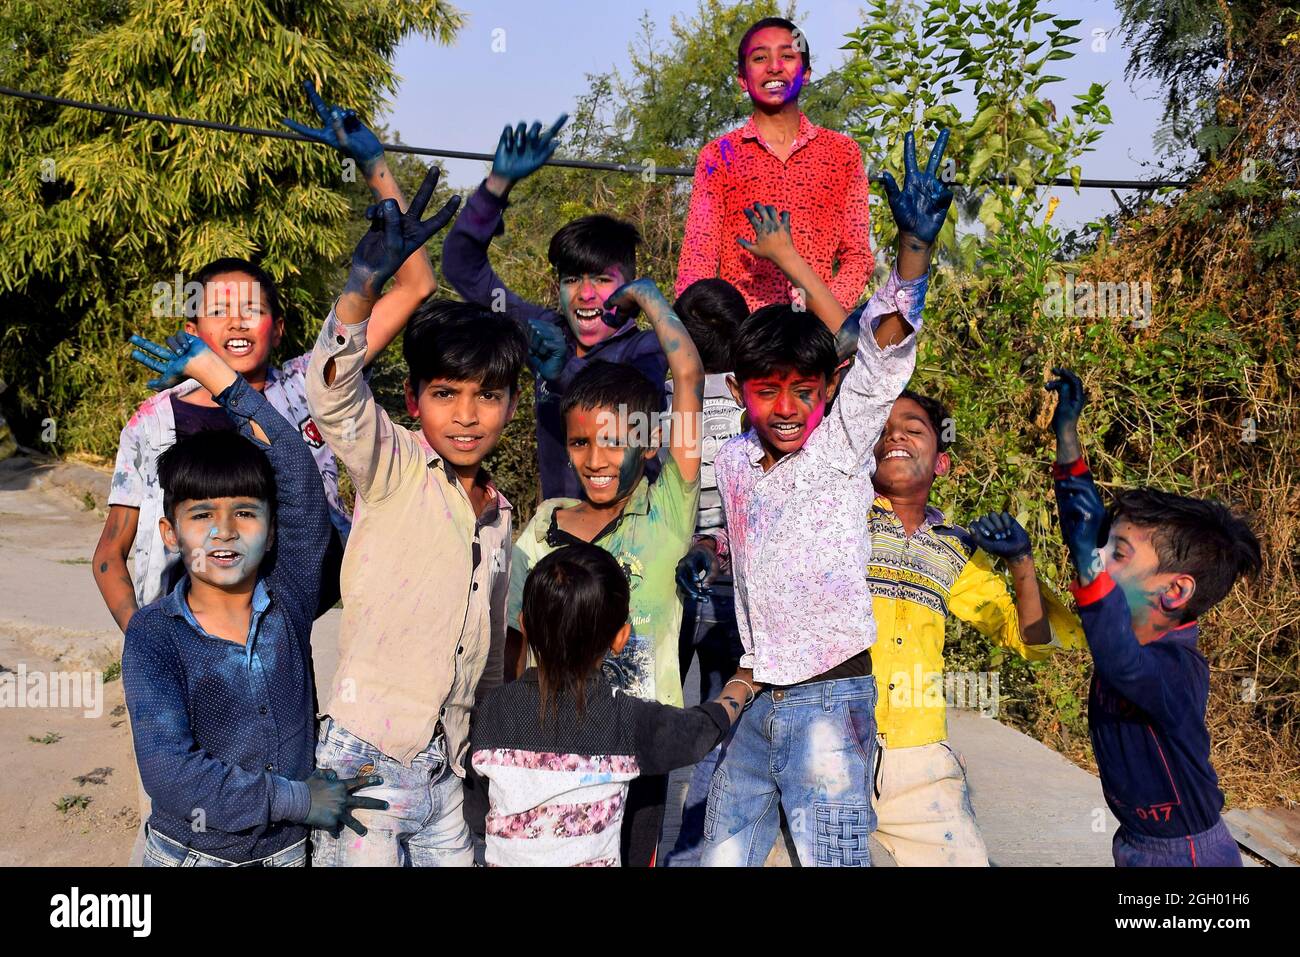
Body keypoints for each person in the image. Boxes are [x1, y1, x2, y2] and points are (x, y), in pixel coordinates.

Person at [96, 80, 436, 631]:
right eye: (219, 310)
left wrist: (374, 167)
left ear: (277, 330)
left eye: (251, 308)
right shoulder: (155, 420)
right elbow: (111, 551)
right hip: (189, 633)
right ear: (191, 329)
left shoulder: (313, 383)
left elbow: (416, 285)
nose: (235, 321)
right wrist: (146, 643)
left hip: (287, 628)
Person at [701, 129, 953, 868]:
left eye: (803, 392)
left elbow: (880, 356)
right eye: (766, 390)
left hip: (830, 703)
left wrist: (912, 249)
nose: (785, 407)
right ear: (738, 390)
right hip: (757, 698)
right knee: (718, 855)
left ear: (826, 391)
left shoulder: (839, 445)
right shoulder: (734, 459)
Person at [304, 163, 526, 866]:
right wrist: (358, 291)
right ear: (414, 399)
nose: (466, 414)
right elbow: (333, 397)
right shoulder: (394, 465)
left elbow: (486, 642)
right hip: (366, 754)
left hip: (447, 764)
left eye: (487, 396)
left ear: (513, 405)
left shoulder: (501, 513)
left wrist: (485, 743)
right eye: (446, 393)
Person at [121, 329, 386, 866]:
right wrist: (297, 800)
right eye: (200, 516)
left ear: (271, 528)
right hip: (189, 855)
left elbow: (296, 473)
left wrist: (224, 382)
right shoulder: (154, 634)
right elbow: (172, 774)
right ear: (170, 534)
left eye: (245, 512)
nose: (224, 532)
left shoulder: (287, 599)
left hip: (286, 853)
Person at [505, 276, 705, 865]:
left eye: (614, 443)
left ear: (649, 446)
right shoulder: (543, 527)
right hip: (556, 750)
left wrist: (646, 297)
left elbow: (687, 374)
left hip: (642, 747)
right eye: (580, 443)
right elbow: (515, 639)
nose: (594, 460)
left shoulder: (666, 509)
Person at [1048, 368, 1261, 867]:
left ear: (1174, 591)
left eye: (1116, 554)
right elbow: (1084, 520)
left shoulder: (1174, 668)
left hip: (1187, 854)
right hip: (1139, 843)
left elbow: (1120, 664)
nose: (1098, 559)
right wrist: (1067, 435)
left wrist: (1085, 561)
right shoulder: (1132, 630)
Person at [864, 389, 1085, 865]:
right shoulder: (840, 522)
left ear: (941, 463)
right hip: (828, 739)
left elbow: (1029, 643)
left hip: (918, 756)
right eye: (881, 430)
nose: (895, 434)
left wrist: (1020, 561)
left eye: (912, 428)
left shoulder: (956, 550)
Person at [469, 543, 758, 867]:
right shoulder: (625, 718)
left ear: (523, 623)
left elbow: (480, 812)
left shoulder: (492, 710)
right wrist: (742, 683)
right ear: (621, 637)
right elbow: (699, 731)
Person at [442, 113, 667, 500]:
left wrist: (565, 371)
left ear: (629, 285)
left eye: (600, 280)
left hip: (631, 542)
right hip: (558, 533)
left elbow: (625, 416)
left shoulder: (649, 350)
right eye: (571, 280)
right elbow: (463, 267)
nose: (584, 295)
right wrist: (497, 186)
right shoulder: (545, 331)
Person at [675, 16, 873, 312]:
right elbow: (698, 259)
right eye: (759, 57)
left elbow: (857, 256)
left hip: (818, 338)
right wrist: (707, 332)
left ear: (805, 72)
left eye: (787, 56)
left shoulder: (843, 153)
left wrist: (827, 317)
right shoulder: (719, 156)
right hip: (743, 341)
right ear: (743, 79)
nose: (774, 66)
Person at [656, 278, 749, 866]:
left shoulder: (660, 397)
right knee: (722, 726)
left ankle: (641, 845)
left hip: (667, 579)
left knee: (655, 717)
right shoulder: (754, 403)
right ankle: (695, 852)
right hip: (732, 586)